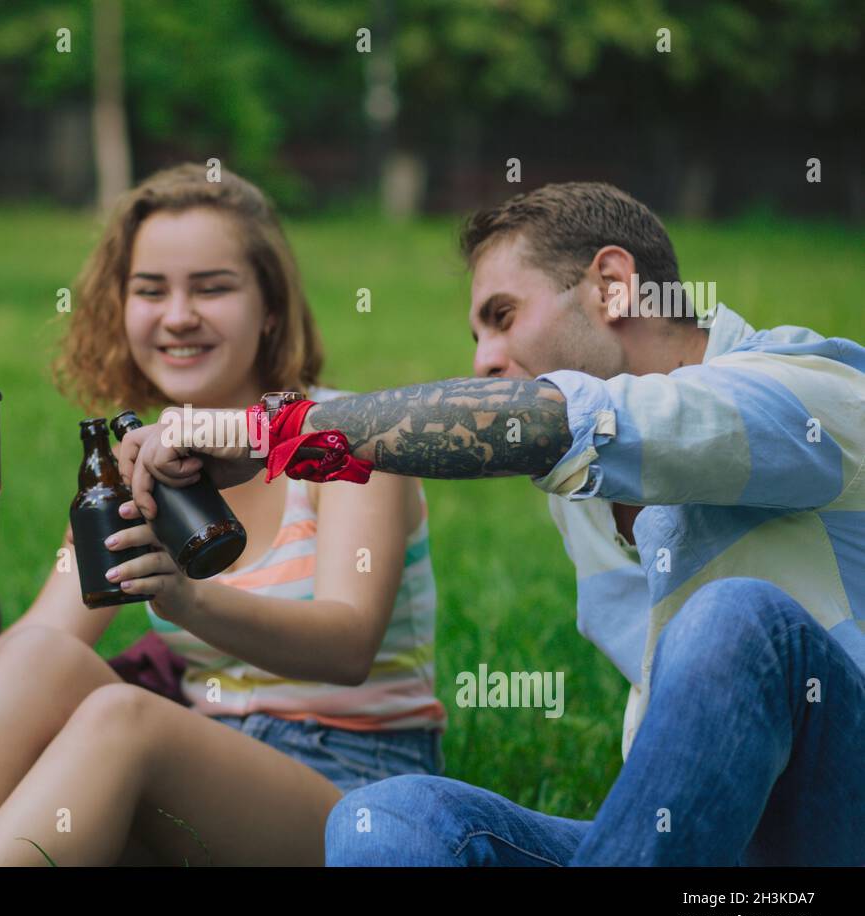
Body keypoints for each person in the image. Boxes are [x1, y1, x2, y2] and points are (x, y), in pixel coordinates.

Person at [119, 182, 865, 866]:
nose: (483, 359)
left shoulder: (808, 393)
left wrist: (267, 434)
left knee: (737, 619)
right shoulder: (587, 499)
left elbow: (550, 425)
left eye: (502, 318)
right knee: (391, 815)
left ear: (612, 285)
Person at [0, 163, 444, 867]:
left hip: (355, 795)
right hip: (202, 778)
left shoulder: (339, 435)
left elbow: (346, 648)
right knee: (49, 664)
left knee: (122, 717)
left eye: (213, 287)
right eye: (150, 290)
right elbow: (40, 638)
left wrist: (185, 598)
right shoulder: (130, 470)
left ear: (271, 308)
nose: (178, 315)